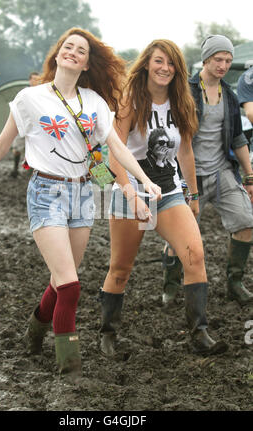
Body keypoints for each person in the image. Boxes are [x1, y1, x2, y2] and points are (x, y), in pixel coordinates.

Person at [0, 28, 161, 376]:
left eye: (81, 51)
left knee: (60, 280)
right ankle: (71, 370)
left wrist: (144, 182)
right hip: (45, 193)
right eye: (68, 47)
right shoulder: (29, 98)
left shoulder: (94, 103)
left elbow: (116, 148)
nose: (73, 53)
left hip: (83, 195)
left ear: (86, 63)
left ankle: (34, 332)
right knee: (70, 286)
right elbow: (2, 144)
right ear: (57, 55)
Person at [98, 39, 228, 358]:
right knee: (120, 269)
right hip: (130, 194)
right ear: (147, 64)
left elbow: (184, 151)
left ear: (178, 70)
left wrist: (193, 193)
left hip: (169, 193)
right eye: (159, 61)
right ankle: (107, 335)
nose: (165, 68)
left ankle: (198, 332)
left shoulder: (181, 101)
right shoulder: (130, 100)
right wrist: (130, 194)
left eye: (171, 63)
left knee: (195, 256)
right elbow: (114, 154)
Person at [162, 35, 253, 308]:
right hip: (187, 175)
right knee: (181, 235)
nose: (223, 65)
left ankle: (235, 284)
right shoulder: (184, 91)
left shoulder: (230, 95)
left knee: (246, 222)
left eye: (227, 60)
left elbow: (238, 139)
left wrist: (249, 176)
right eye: (218, 59)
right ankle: (171, 285)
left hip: (222, 171)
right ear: (206, 59)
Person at [10, 71, 41, 177]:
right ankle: (15, 169)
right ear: (30, 80)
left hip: (36, 127)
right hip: (23, 125)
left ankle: (30, 171)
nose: (36, 81)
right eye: (34, 79)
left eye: (38, 79)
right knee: (17, 149)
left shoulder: (42, 94)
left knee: (34, 149)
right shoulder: (24, 93)